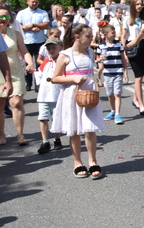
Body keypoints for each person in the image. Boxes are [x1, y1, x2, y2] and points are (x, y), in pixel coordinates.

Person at [50, 24, 105, 179]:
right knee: (73, 129)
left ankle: (93, 160)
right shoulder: (65, 55)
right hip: (71, 94)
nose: (91, 39)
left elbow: (91, 71)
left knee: (90, 128)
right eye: (88, 36)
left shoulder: (89, 52)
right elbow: (55, 78)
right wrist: (73, 78)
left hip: (88, 94)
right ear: (77, 37)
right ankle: (77, 162)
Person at [0, 7, 35, 145]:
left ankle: (20, 134)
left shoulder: (15, 34)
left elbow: (24, 51)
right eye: (0, 16)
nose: (3, 19)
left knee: (16, 103)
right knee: (0, 105)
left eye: (6, 17)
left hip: (15, 72)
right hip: (0, 73)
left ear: (10, 19)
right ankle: (1, 134)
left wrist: (30, 62)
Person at [35, 37, 63, 154]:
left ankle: (57, 138)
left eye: (53, 48)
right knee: (43, 117)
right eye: (49, 48)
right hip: (44, 94)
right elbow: (40, 74)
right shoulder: (46, 61)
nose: (51, 50)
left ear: (59, 48)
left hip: (57, 94)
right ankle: (45, 141)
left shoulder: (62, 61)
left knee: (56, 118)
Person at [16, 0, 50, 92]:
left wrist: (35, 25)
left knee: (39, 63)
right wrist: (29, 27)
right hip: (26, 41)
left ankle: (38, 83)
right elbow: (18, 26)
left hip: (39, 41)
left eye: (36, 2)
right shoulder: (22, 13)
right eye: (32, 2)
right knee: (28, 64)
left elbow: (46, 24)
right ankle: (29, 82)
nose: (34, 3)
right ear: (28, 2)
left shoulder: (42, 12)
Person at [98, 26, 129, 125]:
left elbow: (123, 59)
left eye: (115, 32)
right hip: (107, 73)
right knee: (110, 94)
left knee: (117, 94)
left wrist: (125, 72)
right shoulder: (101, 46)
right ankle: (112, 111)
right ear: (106, 34)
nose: (114, 34)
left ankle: (117, 114)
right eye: (112, 33)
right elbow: (98, 61)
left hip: (118, 71)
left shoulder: (118, 45)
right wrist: (100, 59)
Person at [124, 0, 144, 115]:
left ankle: (135, 99)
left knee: (141, 76)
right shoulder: (127, 19)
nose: (140, 6)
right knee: (138, 77)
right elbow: (124, 36)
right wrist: (123, 51)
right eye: (138, 4)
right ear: (133, 6)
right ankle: (141, 105)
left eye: (141, 5)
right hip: (133, 47)